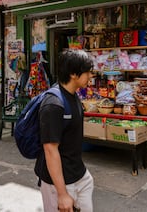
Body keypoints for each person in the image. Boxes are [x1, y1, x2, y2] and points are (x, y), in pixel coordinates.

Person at [35, 49, 94, 212]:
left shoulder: (73, 95)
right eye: (88, 72)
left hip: (80, 176)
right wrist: (62, 194)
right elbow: (50, 149)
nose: (90, 76)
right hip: (59, 183)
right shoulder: (53, 105)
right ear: (74, 73)